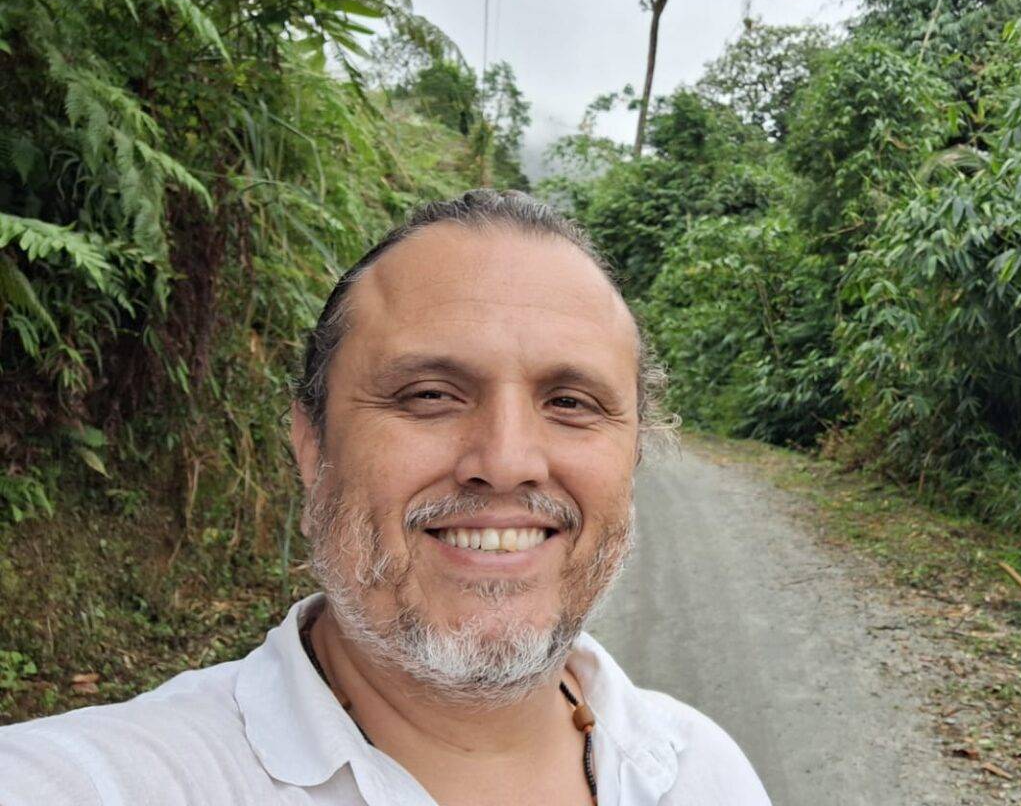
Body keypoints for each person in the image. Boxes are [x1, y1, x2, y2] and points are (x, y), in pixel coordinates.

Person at [0, 190, 772, 805]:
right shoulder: (104, 780)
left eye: (571, 403)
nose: (506, 462)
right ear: (313, 444)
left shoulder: (705, 773)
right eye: (430, 395)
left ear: (633, 455)